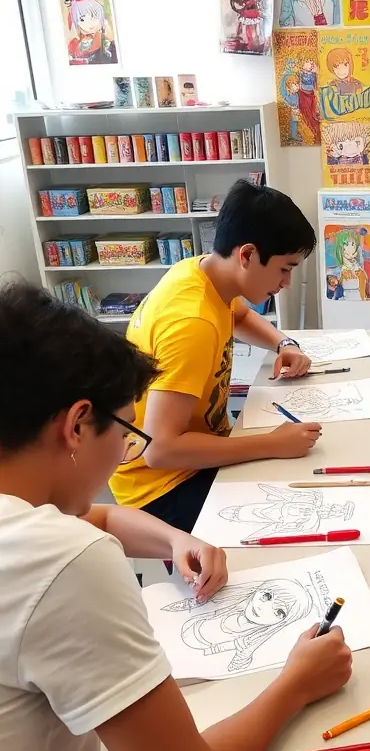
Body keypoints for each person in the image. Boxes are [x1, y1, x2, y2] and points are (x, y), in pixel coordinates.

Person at [0, 281, 353, 751]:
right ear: (78, 424)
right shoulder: (58, 559)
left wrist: (171, 540)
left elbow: (101, 515)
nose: (127, 454)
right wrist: (296, 682)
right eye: (127, 435)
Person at [109, 181, 320, 534]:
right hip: (162, 486)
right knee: (290, 516)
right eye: (285, 268)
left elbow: (237, 315)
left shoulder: (203, 272)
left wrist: (285, 344)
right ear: (248, 255)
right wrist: (273, 444)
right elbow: (160, 450)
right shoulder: (191, 323)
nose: (286, 282)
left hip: (197, 447)